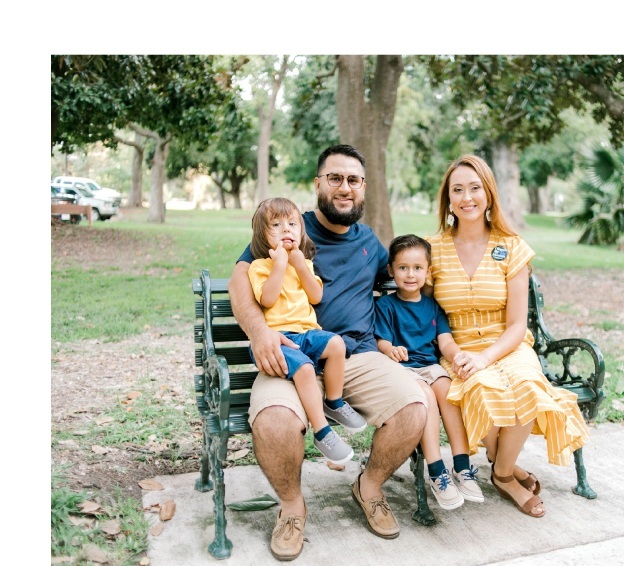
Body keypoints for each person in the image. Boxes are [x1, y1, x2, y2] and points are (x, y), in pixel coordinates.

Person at [229, 145, 427, 560]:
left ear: (363, 188)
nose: (344, 188)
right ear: (318, 183)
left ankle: (368, 487)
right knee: (275, 421)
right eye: (334, 178)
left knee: (413, 406)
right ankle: (291, 507)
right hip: (290, 353)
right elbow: (241, 276)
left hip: (357, 357)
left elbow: (413, 275)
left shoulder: (370, 243)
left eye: (353, 180)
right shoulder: (286, 228)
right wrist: (260, 332)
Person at [425, 154, 591, 519]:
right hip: (459, 349)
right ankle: (506, 468)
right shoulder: (432, 249)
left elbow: (518, 325)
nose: (467, 197)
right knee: (483, 389)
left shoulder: (511, 246)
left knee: (528, 388)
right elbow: (425, 314)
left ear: (488, 194)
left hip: (508, 344)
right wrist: (457, 353)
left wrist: (488, 356)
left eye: (474, 188)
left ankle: (501, 473)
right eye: (458, 190)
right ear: (448, 200)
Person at [246, 197, 367, 465]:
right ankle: (322, 432)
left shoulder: (305, 264)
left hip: (307, 334)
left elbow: (316, 296)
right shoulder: (260, 266)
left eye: (292, 224)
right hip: (278, 340)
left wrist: (299, 265)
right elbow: (267, 298)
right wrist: (279, 264)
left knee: (337, 344)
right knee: (306, 369)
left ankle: (333, 402)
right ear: (262, 236)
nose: (286, 230)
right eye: (276, 225)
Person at [374, 234, 485, 511]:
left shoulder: (433, 306)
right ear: (391, 270)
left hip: (430, 366)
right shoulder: (386, 306)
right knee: (426, 397)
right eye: (402, 268)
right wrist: (390, 350)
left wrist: (457, 356)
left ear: (428, 271)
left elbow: (445, 341)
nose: (410, 275)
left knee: (447, 392)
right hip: (404, 370)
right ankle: (437, 472)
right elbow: (381, 341)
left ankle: (461, 467)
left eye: (417, 268)